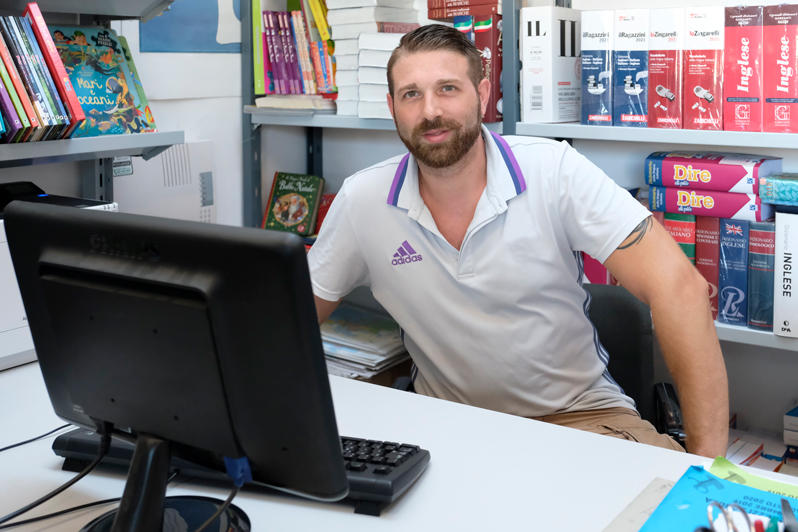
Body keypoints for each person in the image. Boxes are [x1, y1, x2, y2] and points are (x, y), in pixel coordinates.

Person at [307, 25, 728, 457]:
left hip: (579, 419)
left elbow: (680, 289)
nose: (430, 111)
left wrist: (709, 469)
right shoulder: (363, 201)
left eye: (448, 88)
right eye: (411, 94)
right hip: (447, 429)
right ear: (392, 106)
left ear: (483, 94)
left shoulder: (553, 168)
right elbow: (285, 318)